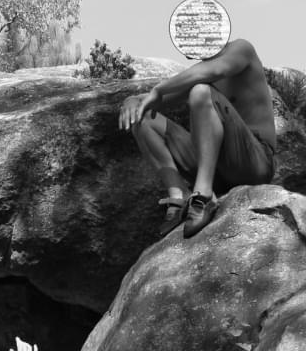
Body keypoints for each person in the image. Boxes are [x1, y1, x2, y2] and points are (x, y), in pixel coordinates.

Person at [118, 38, 277, 239]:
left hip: (255, 163)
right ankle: (179, 196)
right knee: (142, 117)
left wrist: (160, 89)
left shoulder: (241, 49)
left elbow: (216, 70)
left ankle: (204, 196)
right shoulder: (199, 72)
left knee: (200, 91)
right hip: (217, 171)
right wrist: (132, 100)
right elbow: (154, 100)